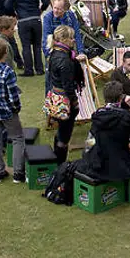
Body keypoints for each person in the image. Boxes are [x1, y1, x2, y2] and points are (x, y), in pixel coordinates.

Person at [82, 80, 130, 181]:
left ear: (105, 98)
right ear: (121, 98)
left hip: (100, 164)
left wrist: (87, 156)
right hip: (121, 166)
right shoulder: (126, 117)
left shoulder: (98, 116)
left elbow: (90, 141)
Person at [0, 38, 26, 184]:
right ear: (6, 52)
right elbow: (13, 94)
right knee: (17, 138)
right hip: (8, 111)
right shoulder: (7, 71)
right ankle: (19, 173)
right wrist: (16, 108)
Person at [47, 25, 84, 164]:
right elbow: (68, 86)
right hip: (64, 101)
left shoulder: (54, 52)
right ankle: (60, 165)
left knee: (61, 131)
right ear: (63, 39)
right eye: (71, 38)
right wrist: (74, 104)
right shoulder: (65, 60)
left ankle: (57, 159)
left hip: (56, 97)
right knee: (65, 134)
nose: (74, 40)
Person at [6, 0, 49, 76]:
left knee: (26, 46)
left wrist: (15, 14)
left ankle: (28, 70)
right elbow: (46, 1)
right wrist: (41, 10)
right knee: (37, 45)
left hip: (23, 19)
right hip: (35, 18)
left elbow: (7, 5)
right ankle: (39, 69)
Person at [41, 0, 84, 73]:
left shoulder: (70, 16)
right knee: (52, 78)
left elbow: (77, 34)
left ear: (65, 10)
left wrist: (81, 52)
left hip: (69, 51)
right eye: (54, 8)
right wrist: (49, 56)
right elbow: (46, 38)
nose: (56, 11)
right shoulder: (48, 18)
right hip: (54, 52)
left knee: (70, 74)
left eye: (59, 9)